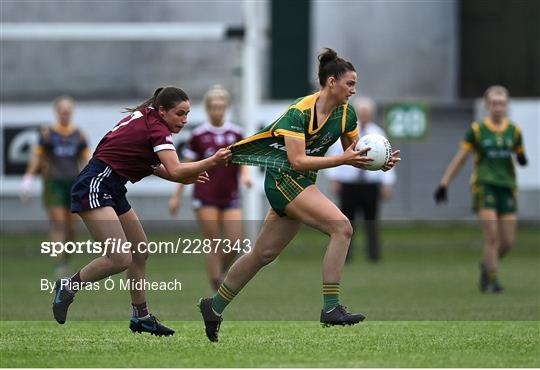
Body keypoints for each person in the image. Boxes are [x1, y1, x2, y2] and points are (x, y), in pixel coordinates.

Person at [198, 48, 401, 342]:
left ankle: (213, 306)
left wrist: (380, 164)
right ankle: (331, 308)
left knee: (262, 254)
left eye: (355, 84)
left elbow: (355, 154)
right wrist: (343, 160)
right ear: (331, 82)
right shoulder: (300, 112)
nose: (354, 90)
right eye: (350, 83)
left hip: (302, 183)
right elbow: (298, 161)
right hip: (283, 180)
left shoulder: (347, 113)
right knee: (342, 227)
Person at [51, 86, 231, 336]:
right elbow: (176, 168)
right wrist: (212, 161)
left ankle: (141, 317)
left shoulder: (147, 117)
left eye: (187, 114)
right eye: (180, 113)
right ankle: (68, 286)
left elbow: (154, 165)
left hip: (111, 186)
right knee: (120, 258)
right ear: (162, 110)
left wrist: (181, 177)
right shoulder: (157, 128)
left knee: (140, 250)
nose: (184, 120)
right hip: (96, 184)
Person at [434, 85, 528, 293]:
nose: (497, 107)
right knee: (492, 237)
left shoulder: (515, 131)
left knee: (508, 242)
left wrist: (522, 157)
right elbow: (460, 159)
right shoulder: (477, 130)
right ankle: (493, 280)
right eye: (494, 103)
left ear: (506, 106)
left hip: (507, 187)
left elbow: (520, 154)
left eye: (501, 103)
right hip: (484, 186)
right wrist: (444, 183)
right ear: (487, 105)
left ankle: (487, 266)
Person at [168, 85, 252, 292]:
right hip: (205, 193)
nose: (218, 111)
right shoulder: (198, 135)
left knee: (235, 242)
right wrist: (176, 196)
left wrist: (247, 177)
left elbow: (242, 163)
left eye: (221, 107)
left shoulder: (236, 133)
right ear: (207, 109)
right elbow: (184, 167)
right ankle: (216, 284)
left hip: (230, 192)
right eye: (214, 107)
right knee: (212, 241)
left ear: (227, 108)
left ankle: (218, 271)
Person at [21, 95, 90, 277]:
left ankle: (66, 259)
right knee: (59, 223)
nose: (65, 113)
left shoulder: (79, 134)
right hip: (53, 183)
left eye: (68, 110)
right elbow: (38, 157)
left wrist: (91, 178)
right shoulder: (47, 134)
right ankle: (58, 263)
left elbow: (85, 159)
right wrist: (28, 178)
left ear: (72, 112)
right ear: (57, 112)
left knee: (72, 227)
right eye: (62, 110)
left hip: (73, 184)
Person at [326, 97, 395, 263]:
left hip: (371, 185)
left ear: (371, 114)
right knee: (346, 223)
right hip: (349, 185)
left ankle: (374, 256)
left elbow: (386, 158)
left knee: (371, 221)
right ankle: (345, 257)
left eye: (367, 113)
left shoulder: (379, 134)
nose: (364, 115)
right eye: (361, 112)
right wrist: (335, 179)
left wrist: (387, 183)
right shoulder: (346, 132)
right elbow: (336, 155)